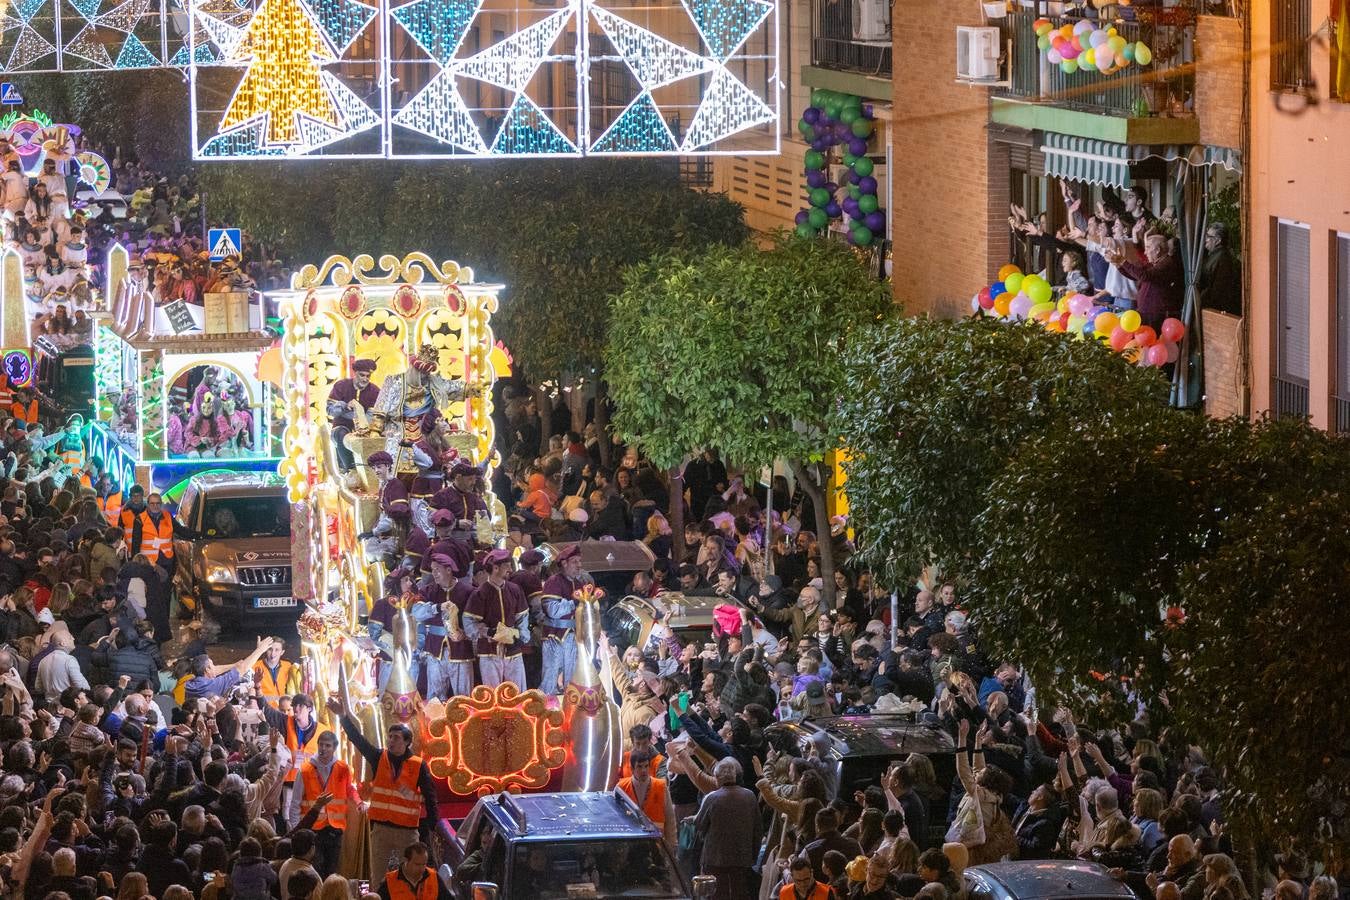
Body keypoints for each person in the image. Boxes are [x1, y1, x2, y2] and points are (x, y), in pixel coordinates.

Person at [331, 698, 440, 890]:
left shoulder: (418, 765)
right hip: (381, 829)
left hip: (407, 831)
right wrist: (342, 716)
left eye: (396, 737)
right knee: (377, 878)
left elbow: (431, 797)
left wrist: (432, 826)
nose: (391, 740)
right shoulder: (378, 757)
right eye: (390, 737)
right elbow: (358, 740)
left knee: (412, 876)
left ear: (407, 742)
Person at [286, 729, 360, 877]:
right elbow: (295, 803)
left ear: (334, 748)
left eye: (327, 745)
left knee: (331, 871)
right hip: (313, 829)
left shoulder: (343, 768)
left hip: (335, 828)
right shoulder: (305, 770)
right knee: (315, 871)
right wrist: (296, 829)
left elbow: (350, 789)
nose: (323, 749)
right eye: (321, 745)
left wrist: (359, 801)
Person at [694, 757, 762, 900]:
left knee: (718, 894)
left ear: (717, 778)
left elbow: (699, 825)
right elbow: (757, 829)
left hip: (715, 859)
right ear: (734, 776)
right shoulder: (750, 796)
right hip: (742, 857)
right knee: (740, 893)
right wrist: (753, 856)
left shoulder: (712, 798)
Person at [463, 548, 530, 688]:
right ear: (495, 568)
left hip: (513, 650)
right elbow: (469, 623)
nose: (510, 569)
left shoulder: (515, 590)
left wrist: (521, 637)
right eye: (507, 566)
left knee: (517, 690)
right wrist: (487, 631)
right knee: (493, 692)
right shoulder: (480, 593)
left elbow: (522, 617)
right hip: (489, 651)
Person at [538, 544, 589, 694]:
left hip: (574, 636)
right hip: (555, 636)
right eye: (575, 562)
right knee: (550, 678)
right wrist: (573, 603)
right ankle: (545, 705)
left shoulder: (579, 584)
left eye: (580, 561)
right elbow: (552, 610)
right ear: (564, 563)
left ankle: (571, 705)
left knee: (573, 679)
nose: (579, 565)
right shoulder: (554, 581)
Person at [326, 358, 380, 479]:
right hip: (341, 428)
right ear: (355, 373)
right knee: (342, 434)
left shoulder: (375, 391)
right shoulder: (341, 386)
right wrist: (344, 405)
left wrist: (362, 428)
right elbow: (330, 411)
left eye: (368, 376)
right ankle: (350, 471)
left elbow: (372, 417)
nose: (365, 379)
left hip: (366, 431)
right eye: (362, 375)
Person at [183, 636, 278, 702]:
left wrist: (234, 665)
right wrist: (260, 650)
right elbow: (243, 668)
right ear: (207, 669)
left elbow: (215, 670)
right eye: (212, 665)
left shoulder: (189, 684)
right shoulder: (212, 685)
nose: (215, 667)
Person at [616, 746, 676, 847]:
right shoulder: (621, 787)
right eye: (639, 767)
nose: (644, 770)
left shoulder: (661, 786)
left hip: (656, 844)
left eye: (646, 766)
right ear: (632, 769)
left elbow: (670, 819)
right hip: (630, 843)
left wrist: (672, 845)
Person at [378, 842, 452, 900]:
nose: (421, 869)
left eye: (424, 864)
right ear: (406, 861)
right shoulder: (390, 881)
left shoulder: (434, 877)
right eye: (417, 864)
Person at [1197, 223, 1241, 316]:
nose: (1205, 239)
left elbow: (1218, 290)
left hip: (1215, 310)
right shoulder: (1214, 256)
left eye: (1208, 236)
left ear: (1218, 240)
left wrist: (1201, 300)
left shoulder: (1222, 258)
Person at [253, 638, 299, 707]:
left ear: (282, 652)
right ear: (266, 650)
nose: (273, 654)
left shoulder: (288, 666)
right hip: (262, 708)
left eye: (277, 650)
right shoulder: (254, 666)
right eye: (270, 649)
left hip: (283, 709)